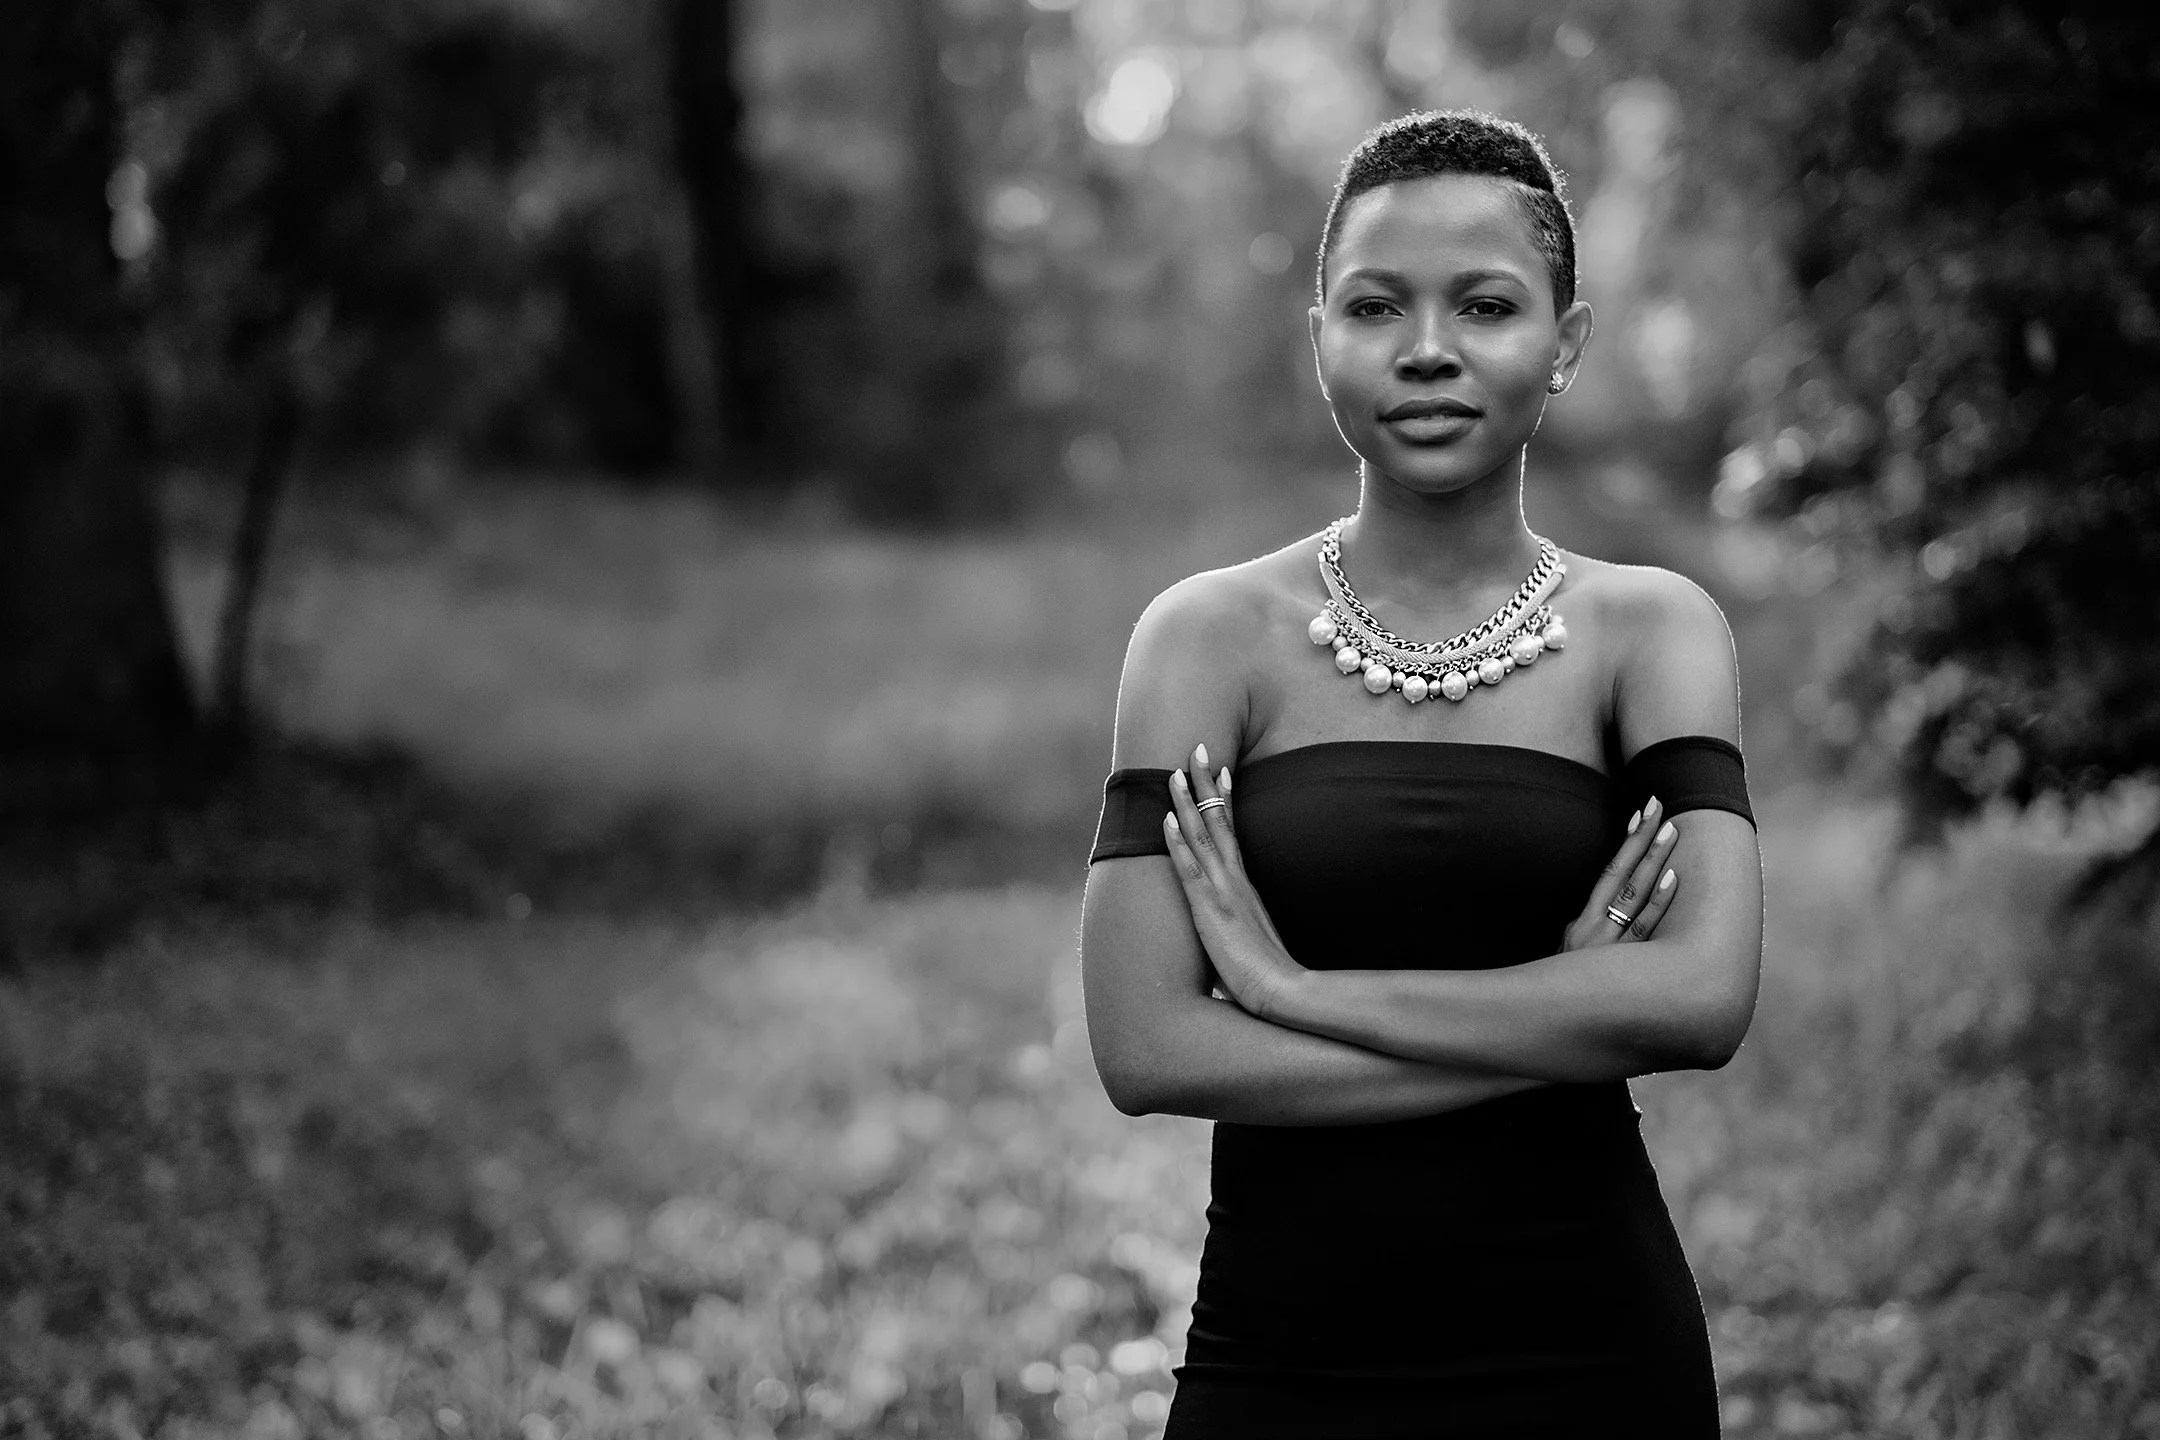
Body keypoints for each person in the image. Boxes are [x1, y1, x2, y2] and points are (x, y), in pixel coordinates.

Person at [1078, 109, 1765, 1438]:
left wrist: (1285, 992)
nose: (1430, 350)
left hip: (1590, 1354)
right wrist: (1564, 1017)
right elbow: (1146, 1042)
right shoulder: (1205, 637)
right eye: (1377, 305)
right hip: (1277, 1359)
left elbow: (1700, 999)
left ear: (1564, 345)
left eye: (1489, 305)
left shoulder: (1654, 630)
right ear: (1320, 334)